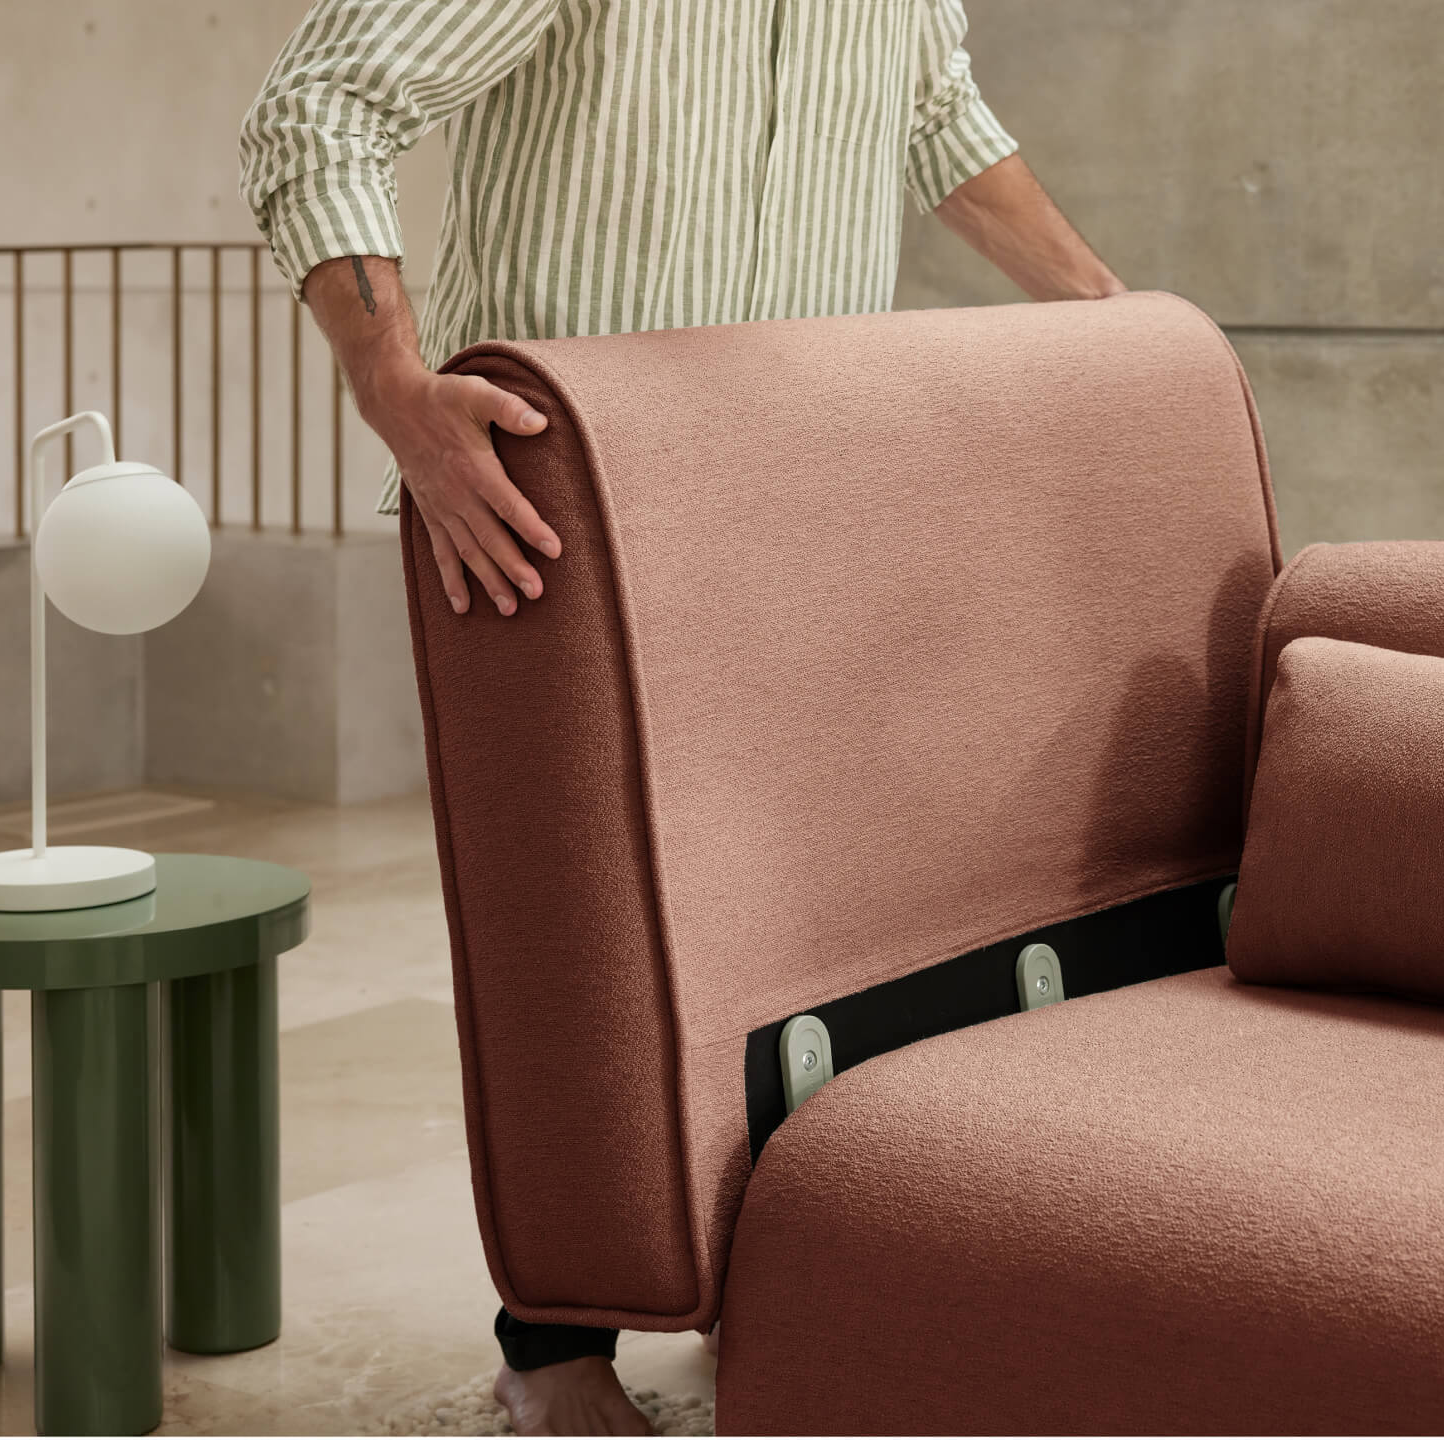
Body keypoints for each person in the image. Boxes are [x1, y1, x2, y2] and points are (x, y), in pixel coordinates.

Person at [240, 2, 1124, 1432]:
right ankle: (553, 1346)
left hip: (800, 480)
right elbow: (320, 105)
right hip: (551, 505)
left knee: (804, 920)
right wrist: (394, 387)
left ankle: (751, 1288)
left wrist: (1107, 314)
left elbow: (936, 118)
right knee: (579, 944)